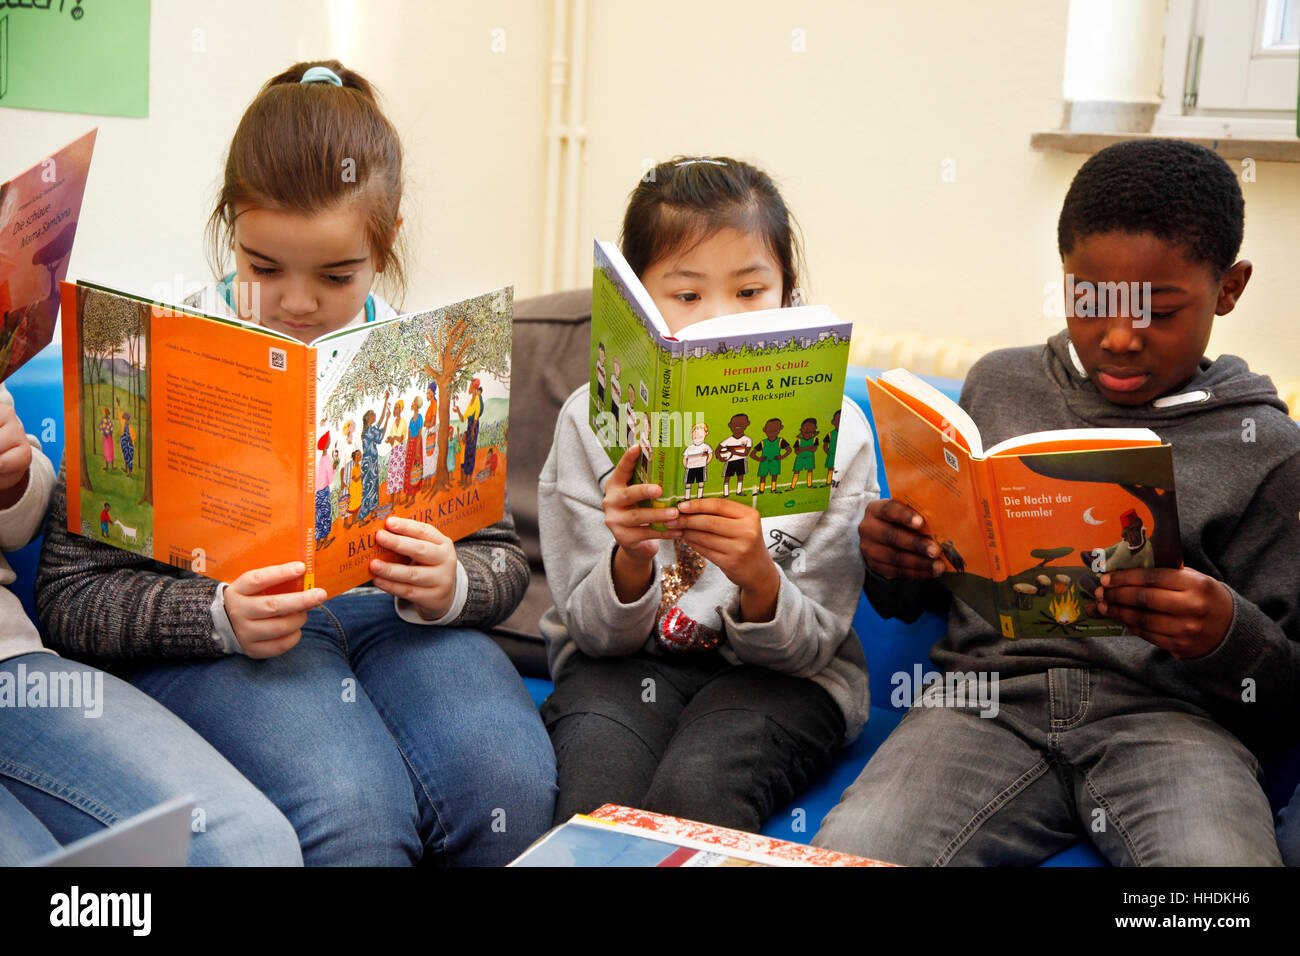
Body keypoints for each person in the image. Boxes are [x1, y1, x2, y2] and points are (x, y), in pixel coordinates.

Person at [36, 61, 555, 866]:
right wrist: (215, 617)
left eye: (337, 275)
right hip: (235, 641)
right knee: (354, 819)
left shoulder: (433, 361)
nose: (299, 303)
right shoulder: (147, 357)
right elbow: (70, 598)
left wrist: (453, 583)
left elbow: (505, 564)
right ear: (229, 229)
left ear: (384, 245)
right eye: (263, 267)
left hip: (396, 626)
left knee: (508, 793)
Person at [816, 139, 1300, 866]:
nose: (1118, 337)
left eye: (1160, 311)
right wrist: (893, 557)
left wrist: (1226, 631)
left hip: (1173, 724)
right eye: (1088, 301)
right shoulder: (1001, 386)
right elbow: (920, 591)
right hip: (983, 704)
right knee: (856, 855)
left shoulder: (1265, 446)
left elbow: (1285, 691)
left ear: (1228, 290)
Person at [537, 156, 874, 832]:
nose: (720, 317)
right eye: (686, 296)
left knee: (700, 790)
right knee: (597, 803)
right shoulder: (591, 419)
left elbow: (811, 648)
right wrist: (630, 560)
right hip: (621, 665)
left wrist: (757, 579)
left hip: (783, 681)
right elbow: (593, 635)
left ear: (788, 292)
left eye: (750, 292)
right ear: (632, 302)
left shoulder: (838, 435)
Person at [1, 384, 301, 866]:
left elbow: (24, 513)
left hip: (11, 665)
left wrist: (13, 475)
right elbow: (71, 590)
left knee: (251, 847)